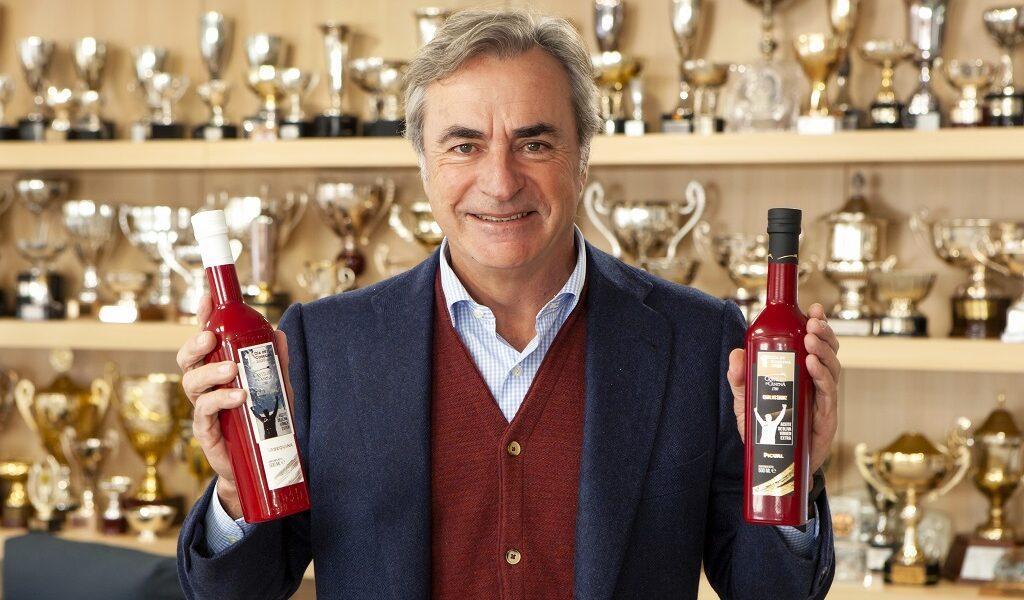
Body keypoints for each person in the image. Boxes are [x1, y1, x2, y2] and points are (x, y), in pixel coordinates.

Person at [176, 9, 838, 599]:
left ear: (583, 159)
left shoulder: (700, 339)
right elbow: (241, 592)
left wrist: (794, 477)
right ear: (424, 165)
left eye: (535, 143)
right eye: (464, 145)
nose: (499, 181)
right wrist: (236, 494)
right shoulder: (324, 346)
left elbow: (769, 591)